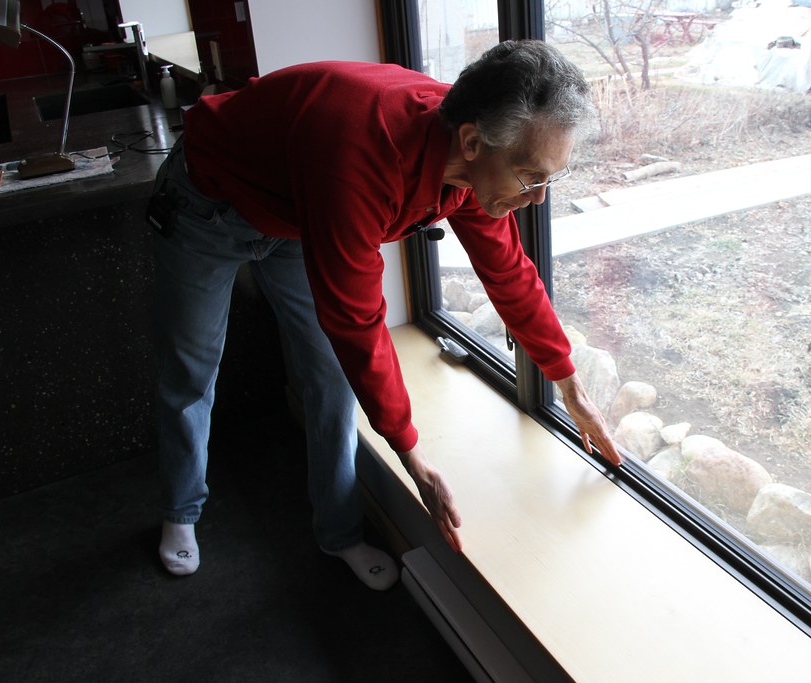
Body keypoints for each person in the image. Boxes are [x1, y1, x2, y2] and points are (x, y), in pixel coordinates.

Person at [149, 39, 622, 590]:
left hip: (298, 213)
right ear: (472, 142)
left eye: (550, 179)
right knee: (191, 367)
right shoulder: (361, 156)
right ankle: (180, 511)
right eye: (531, 177)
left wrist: (569, 385)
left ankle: (339, 532)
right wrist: (411, 454)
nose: (539, 198)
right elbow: (357, 320)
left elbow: (510, 275)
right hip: (209, 203)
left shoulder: (477, 160)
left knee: (330, 377)